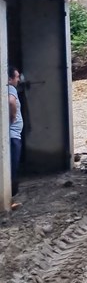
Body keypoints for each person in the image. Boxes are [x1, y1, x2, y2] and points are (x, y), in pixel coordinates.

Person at [7, 66, 23, 208]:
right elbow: (11, 101)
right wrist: (12, 116)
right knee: (12, 167)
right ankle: (9, 201)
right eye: (17, 77)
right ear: (10, 79)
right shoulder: (11, 88)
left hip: (12, 135)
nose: (18, 79)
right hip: (13, 135)